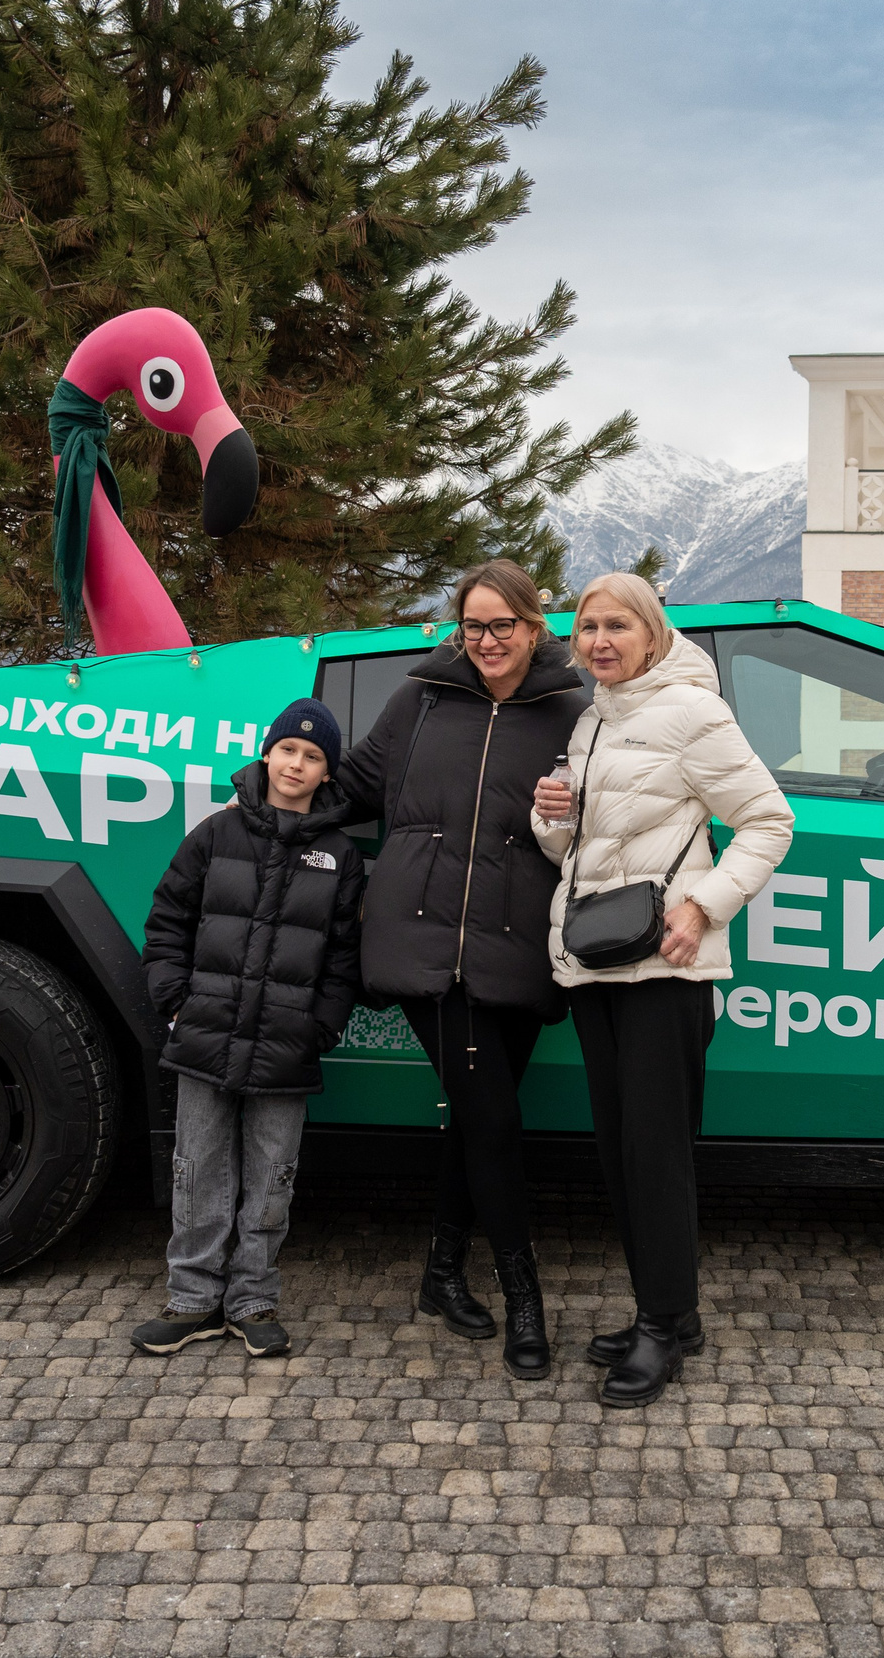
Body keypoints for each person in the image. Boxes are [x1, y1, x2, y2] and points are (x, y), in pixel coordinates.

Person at [531, 573, 793, 1408]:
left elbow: (769, 821)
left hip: (665, 969)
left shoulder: (693, 714)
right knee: (620, 1149)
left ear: (652, 634)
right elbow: (569, 847)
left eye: (618, 626)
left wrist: (706, 906)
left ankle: (663, 1323)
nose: (600, 641)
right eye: (588, 628)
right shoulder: (592, 720)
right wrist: (551, 816)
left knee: (656, 1152)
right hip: (597, 961)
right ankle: (669, 1317)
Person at [335, 561, 589, 1378]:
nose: (485, 642)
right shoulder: (422, 699)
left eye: (501, 626)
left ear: (533, 625)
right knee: (495, 1119)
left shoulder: (573, 711)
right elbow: (358, 784)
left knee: (482, 1117)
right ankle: (524, 1299)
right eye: (472, 627)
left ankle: (442, 1274)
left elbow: (611, 809)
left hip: (519, 941)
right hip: (422, 938)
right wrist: (266, 790)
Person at [133, 699, 364, 1358]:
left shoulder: (340, 855)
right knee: (197, 1167)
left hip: (287, 1048)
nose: (297, 764)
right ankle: (192, 1299)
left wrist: (321, 1025)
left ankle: (254, 1299)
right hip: (205, 1035)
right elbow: (167, 920)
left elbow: (344, 957)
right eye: (288, 749)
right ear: (268, 754)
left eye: (313, 756)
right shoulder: (216, 833)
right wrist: (175, 1001)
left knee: (271, 1176)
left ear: (326, 772)